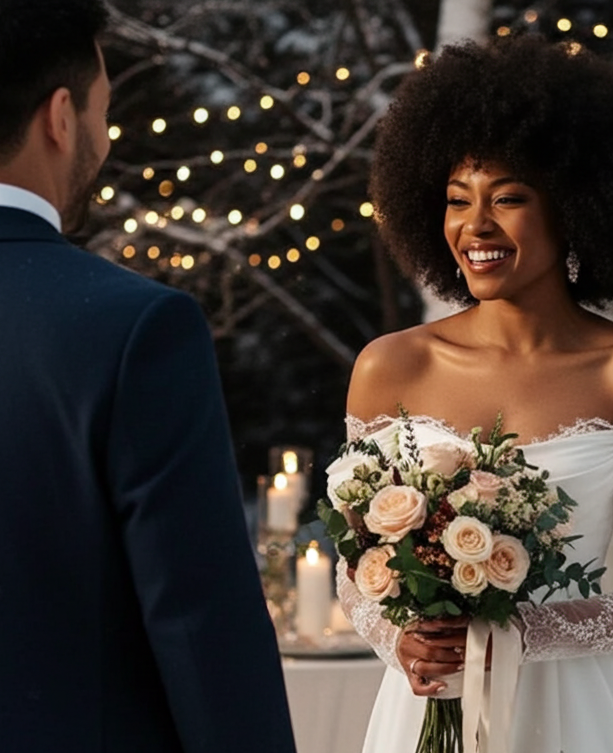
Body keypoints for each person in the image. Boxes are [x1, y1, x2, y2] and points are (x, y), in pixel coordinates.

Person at [334, 35, 613, 753]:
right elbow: (353, 566)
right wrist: (397, 636)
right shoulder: (388, 368)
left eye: (509, 198)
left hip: (586, 716)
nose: (475, 226)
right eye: (457, 200)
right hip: (426, 713)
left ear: (578, 208)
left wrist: (529, 632)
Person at [0, 2, 297, 750]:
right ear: (59, 117)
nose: (104, 138)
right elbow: (201, 622)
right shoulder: (132, 326)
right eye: (103, 112)